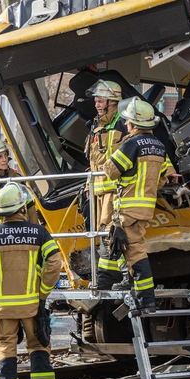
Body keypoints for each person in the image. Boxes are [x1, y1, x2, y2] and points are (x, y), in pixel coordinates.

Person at [0, 183, 64, 379]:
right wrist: (43, 291)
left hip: (3, 307)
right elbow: (54, 261)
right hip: (32, 304)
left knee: (4, 346)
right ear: (22, 208)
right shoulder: (39, 233)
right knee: (38, 343)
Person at [102, 97, 179, 313]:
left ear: (135, 124)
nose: (125, 124)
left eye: (127, 121)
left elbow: (111, 170)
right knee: (114, 242)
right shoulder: (158, 146)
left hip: (128, 208)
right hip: (145, 207)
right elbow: (164, 176)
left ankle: (147, 301)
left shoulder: (131, 144)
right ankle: (129, 281)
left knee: (135, 252)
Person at [86, 80, 129, 289]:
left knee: (111, 235)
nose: (96, 103)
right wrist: (88, 187)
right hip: (98, 191)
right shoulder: (97, 125)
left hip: (115, 190)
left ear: (113, 101)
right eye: (96, 99)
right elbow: (93, 161)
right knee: (103, 235)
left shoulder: (124, 123)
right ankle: (107, 276)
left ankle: (124, 274)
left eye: (100, 99)